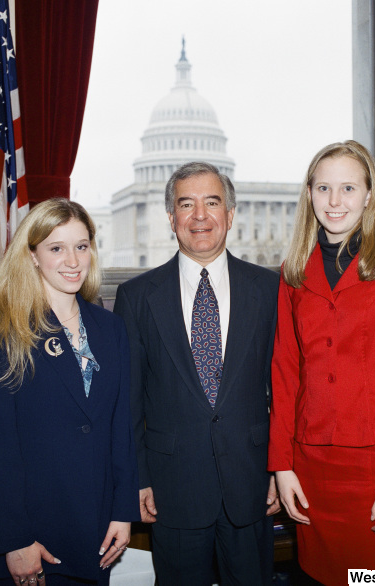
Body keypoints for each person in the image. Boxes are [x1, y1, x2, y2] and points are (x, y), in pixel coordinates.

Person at [269, 140, 375, 583]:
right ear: (309, 194)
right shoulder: (293, 269)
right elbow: (285, 374)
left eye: (348, 187)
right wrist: (281, 466)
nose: (335, 201)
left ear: (370, 194)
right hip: (313, 470)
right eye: (323, 188)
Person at [113, 162, 280, 586]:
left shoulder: (271, 290)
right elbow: (128, 402)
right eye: (186, 204)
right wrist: (139, 479)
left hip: (251, 481)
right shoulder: (136, 297)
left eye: (212, 202)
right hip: (172, 490)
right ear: (171, 218)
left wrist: (282, 468)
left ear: (230, 213)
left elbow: (283, 389)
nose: (200, 216)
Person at [0, 198, 140, 586]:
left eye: (82, 246)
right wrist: (15, 540)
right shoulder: (0, 331)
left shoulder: (109, 328)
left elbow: (120, 428)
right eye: (56, 248)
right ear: (31, 255)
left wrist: (122, 511)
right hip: (36, 535)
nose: (73, 261)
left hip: (98, 527)